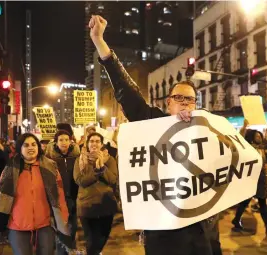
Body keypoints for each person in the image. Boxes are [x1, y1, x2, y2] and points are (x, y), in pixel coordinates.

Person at [89, 14, 219, 255]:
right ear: (168, 103)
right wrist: (99, 42)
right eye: (178, 98)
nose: (183, 103)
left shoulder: (208, 131)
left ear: (196, 105)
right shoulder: (153, 122)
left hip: (201, 231)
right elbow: (127, 92)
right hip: (163, 233)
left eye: (189, 99)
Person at [0, 133, 73, 255]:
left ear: (38, 147)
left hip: (45, 224)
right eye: (26, 145)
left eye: (33, 144)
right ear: (20, 148)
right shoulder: (10, 169)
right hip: (17, 225)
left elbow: (60, 197)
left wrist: (64, 220)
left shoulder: (51, 167)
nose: (31, 148)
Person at [232, 120, 267, 238]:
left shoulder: (261, 149)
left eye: (260, 135)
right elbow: (240, 140)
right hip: (251, 181)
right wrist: (243, 127)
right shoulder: (247, 148)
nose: (259, 137)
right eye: (257, 136)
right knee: (252, 203)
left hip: (260, 182)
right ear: (252, 138)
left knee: (256, 204)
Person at [74, 132, 118, 255]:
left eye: (97, 141)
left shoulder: (109, 159)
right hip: (87, 206)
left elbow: (112, 180)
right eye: (91, 141)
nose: (94, 143)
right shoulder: (80, 160)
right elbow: (81, 181)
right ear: (87, 144)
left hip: (106, 206)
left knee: (103, 237)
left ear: (102, 144)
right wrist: (97, 171)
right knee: (92, 240)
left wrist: (102, 167)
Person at [45, 130, 81, 255]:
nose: (64, 142)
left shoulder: (77, 157)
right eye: (61, 140)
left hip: (74, 198)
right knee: (61, 228)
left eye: (66, 139)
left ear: (71, 141)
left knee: (74, 226)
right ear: (56, 142)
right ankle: (62, 252)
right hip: (58, 199)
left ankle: (71, 249)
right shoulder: (49, 159)